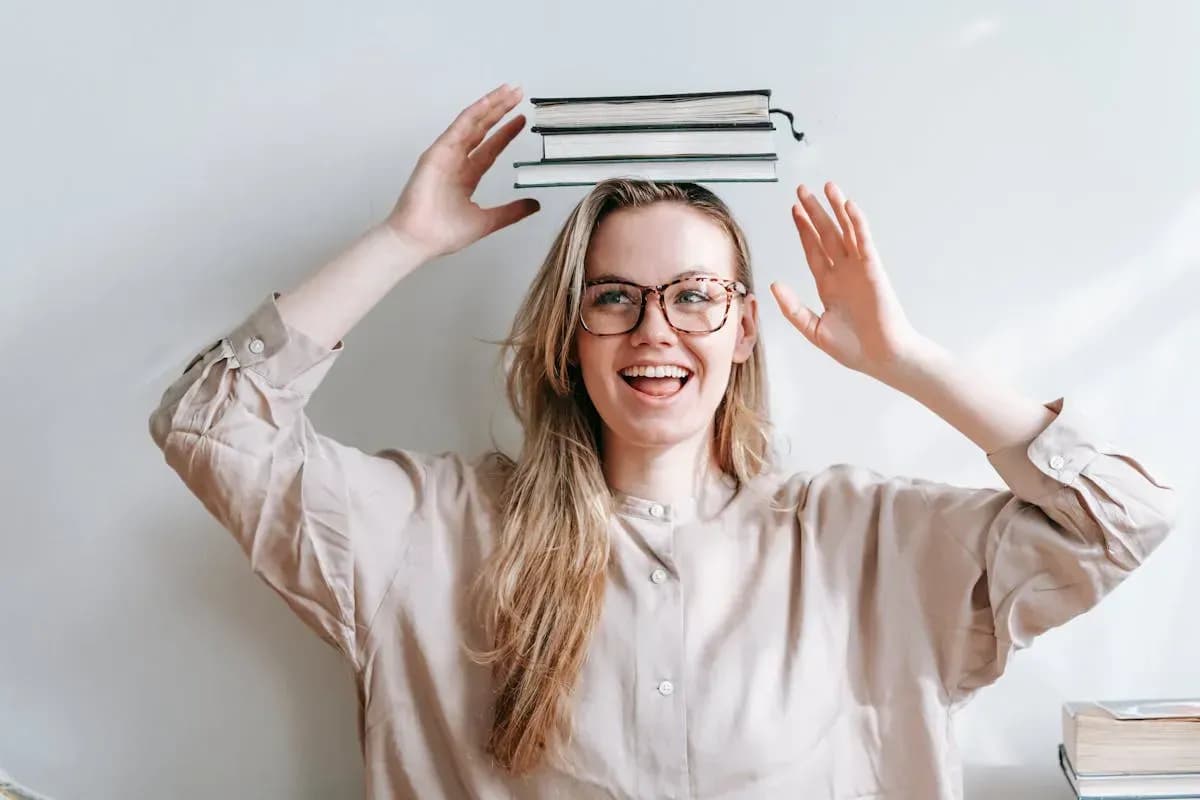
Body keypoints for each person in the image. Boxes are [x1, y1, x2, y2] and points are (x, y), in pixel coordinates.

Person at [148, 83, 1178, 800]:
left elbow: (1120, 518)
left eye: (695, 296)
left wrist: (903, 358)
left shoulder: (861, 538)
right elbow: (210, 423)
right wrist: (404, 239)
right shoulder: (431, 531)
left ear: (741, 329)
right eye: (616, 298)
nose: (656, 330)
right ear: (568, 334)